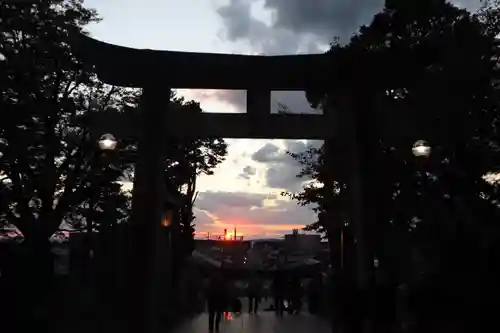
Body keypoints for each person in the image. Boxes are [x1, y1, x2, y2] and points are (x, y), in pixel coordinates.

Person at [206, 267, 229, 332]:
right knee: (218, 313)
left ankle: (211, 327)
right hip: (219, 299)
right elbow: (224, 290)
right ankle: (216, 326)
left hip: (211, 299)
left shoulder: (211, 280)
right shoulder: (222, 280)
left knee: (211, 314)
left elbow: (207, 289)